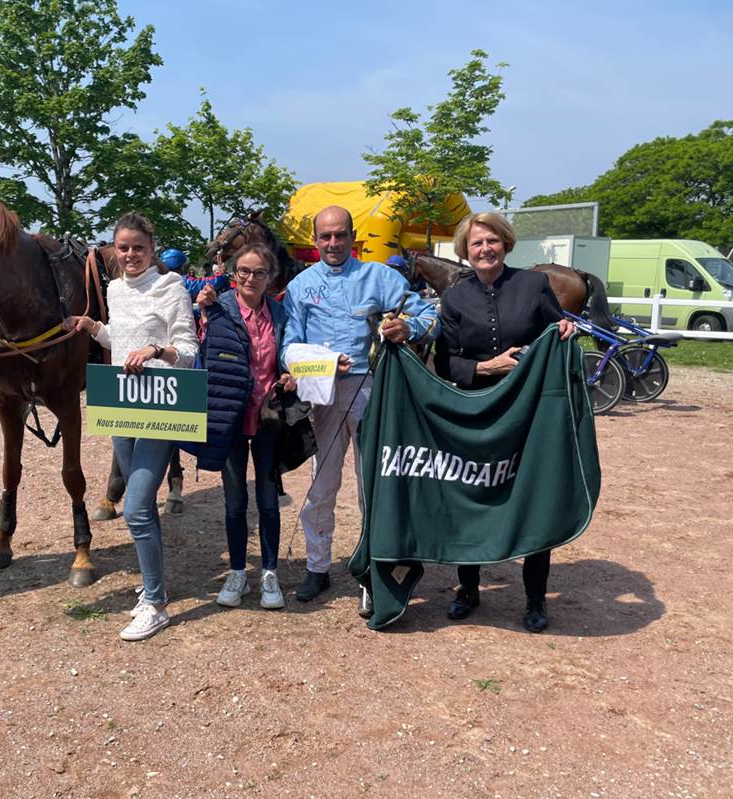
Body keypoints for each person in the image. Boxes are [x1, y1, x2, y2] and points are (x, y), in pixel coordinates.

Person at [280, 205, 437, 608]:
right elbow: (288, 347)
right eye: (325, 236)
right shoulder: (301, 286)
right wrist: (321, 366)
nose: (333, 243)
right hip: (323, 396)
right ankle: (318, 568)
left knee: (373, 485)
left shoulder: (380, 277)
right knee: (321, 486)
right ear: (315, 241)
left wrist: (408, 327)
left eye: (340, 235)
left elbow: (429, 313)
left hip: (372, 392)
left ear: (354, 238)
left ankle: (373, 571)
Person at [434, 212, 575, 633]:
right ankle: (469, 588)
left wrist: (567, 328)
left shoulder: (533, 285)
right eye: (476, 243)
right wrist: (483, 368)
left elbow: (558, 333)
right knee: (470, 498)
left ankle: (535, 598)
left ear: (505, 243)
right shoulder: (455, 297)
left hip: (527, 412)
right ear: (465, 250)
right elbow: (445, 360)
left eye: (492, 240)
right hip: (475, 411)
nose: (484, 249)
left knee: (532, 499)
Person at [67, 212, 197, 641]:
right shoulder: (115, 289)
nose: (129, 255)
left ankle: (156, 603)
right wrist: (94, 328)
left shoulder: (171, 286)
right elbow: (118, 340)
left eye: (137, 247)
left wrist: (157, 348)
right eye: (122, 247)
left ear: (152, 249)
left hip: (161, 404)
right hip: (122, 404)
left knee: (138, 506)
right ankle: (152, 579)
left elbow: (189, 350)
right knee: (142, 511)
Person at [196, 244, 294, 609]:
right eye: (244, 272)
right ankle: (238, 571)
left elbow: (288, 353)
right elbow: (200, 349)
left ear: (271, 277)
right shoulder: (217, 307)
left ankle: (269, 572)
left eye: (259, 273)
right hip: (230, 417)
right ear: (234, 274)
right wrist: (204, 308)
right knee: (235, 501)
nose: (251, 279)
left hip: (267, 418)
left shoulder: (282, 314)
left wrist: (289, 373)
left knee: (269, 502)